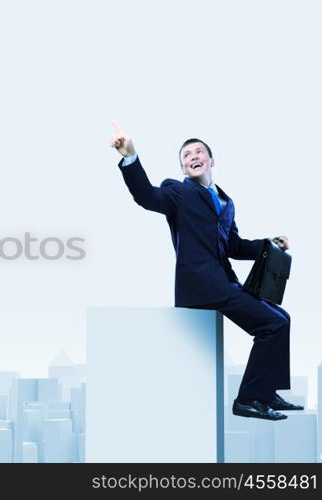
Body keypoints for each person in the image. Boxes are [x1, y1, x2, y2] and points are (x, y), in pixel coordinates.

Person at [109, 121, 303, 421]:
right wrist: (130, 156)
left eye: (199, 152)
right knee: (272, 326)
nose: (193, 156)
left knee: (282, 318)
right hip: (201, 286)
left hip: (223, 282)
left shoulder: (226, 202)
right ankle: (248, 399)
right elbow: (146, 196)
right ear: (185, 168)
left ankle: (265, 392)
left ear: (211, 161)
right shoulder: (177, 193)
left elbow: (234, 246)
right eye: (187, 155)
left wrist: (268, 244)